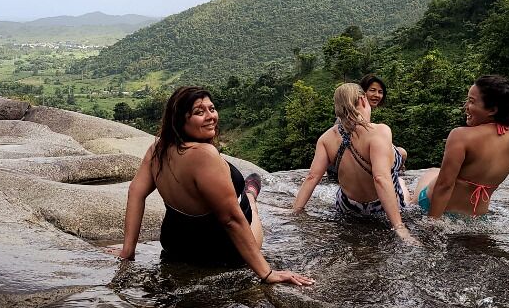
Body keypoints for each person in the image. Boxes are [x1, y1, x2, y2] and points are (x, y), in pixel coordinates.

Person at [114, 86, 313, 286]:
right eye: (199, 112)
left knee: (237, 197)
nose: (211, 116)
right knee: (247, 204)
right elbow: (231, 220)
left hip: (175, 245)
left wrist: (127, 252)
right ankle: (250, 195)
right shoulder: (204, 154)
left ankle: (247, 193)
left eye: (212, 109)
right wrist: (267, 273)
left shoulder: (158, 147)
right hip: (220, 250)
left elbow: (136, 192)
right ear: (180, 119)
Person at [292, 83, 419, 245]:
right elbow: (380, 178)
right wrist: (399, 227)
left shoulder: (326, 138)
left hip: (348, 207)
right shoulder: (380, 131)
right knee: (400, 182)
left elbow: (312, 177)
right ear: (362, 99)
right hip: (380, 207)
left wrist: (296, 210)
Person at [413, 75, 509, 229]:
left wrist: (433, 222)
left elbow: (444, 185)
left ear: (492, 110)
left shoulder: (461, 135)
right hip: (477, 218)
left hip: (437, 209)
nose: (465, 106)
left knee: (429, 174)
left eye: (471, 101)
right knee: (434, 171)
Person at [360, 73, 408, 167]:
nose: (377, 95)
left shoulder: (364, 112)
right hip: (354, 164)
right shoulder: (357, 114)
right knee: (402, 153)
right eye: (372, 90)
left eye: (380, 92)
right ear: (362, 92)